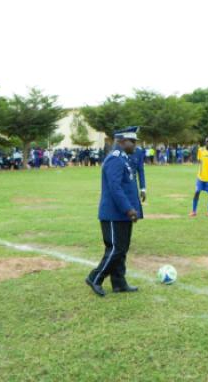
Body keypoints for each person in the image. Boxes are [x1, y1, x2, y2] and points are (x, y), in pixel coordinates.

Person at [86, 126, 142, 296]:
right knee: (115, 248)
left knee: (122, 249)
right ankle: (95, 278)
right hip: (113, 213)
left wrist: (133, 210)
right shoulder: (115, 159)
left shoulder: (125, 158)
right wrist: (128, 209)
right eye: (132, 142)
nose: (135, 145)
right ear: (122, 141)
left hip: (123, 214)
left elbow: (128, 186)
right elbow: (115, 188)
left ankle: (119, 283)